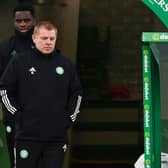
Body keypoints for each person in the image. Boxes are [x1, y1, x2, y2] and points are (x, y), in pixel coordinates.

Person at [0, 21, 82, 168]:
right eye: (44, 38)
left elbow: (77, 94)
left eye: (52, 38)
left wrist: (69, 119)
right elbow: (5, 89)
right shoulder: (19, 62)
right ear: (34, 38)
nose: (48, 42)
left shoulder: (66, 65)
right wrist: (17, 116)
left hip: (56, 139)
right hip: (26, 137)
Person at [0, 3, 36, 168]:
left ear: (34, 21)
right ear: (14, 22)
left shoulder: (43, 46)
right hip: (12, 116)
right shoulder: (5, 48)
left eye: (26, 20)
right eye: (19, 20)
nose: (22, 24)